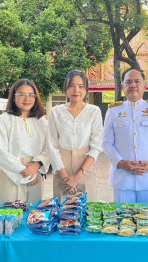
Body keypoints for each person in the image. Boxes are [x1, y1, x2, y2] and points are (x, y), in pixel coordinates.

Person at [103, 68, 148, 203]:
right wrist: (121, 163)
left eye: (137, 81)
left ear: (144, 86)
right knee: (123, 221)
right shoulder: (113, 111)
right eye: (128, 82)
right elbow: (106, 143)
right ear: (123, 87)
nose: (133, 85)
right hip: (122, 178)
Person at [47, 70, 103, 202]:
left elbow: (96, 146)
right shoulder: (56, 112)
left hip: (85, 167)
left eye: (81, 86)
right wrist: (65, 177)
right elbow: (51, 145)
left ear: (86, 89)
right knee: (62, 211)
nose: (76, 90)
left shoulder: (94, 111)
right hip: (62, 168)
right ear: (66, 89)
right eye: (71, 85)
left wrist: (77, 177)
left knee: (88, 212)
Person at [0, 79, 50, 203]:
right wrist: (24, 172)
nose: (26, 99)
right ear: (14, 97)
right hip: (11, 175)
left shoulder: (41, 122)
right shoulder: (3, 120)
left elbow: (47, 149)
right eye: (21, 95)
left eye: (31, 95)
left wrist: (35, 166)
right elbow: (0, 152)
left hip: (36, 174)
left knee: (33, 217)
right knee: (13, 216)